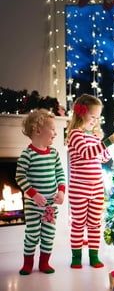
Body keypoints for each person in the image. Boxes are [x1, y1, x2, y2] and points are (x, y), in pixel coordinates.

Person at [66, 94, 114, 269]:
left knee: (95, 224)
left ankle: (94, 256)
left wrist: (104, 143)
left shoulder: (95, 137)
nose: (95, 121)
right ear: (81, 113)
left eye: (98, 117)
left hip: (96, 188)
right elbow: (87, 153)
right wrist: (107, 141)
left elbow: (103, 158)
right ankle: (76, 257)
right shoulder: (75, 134)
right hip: (79, 189)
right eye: (92, 116)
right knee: (78, 224)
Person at [16, 109, 66, 275]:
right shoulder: (27, 154)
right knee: (32, 234)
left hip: (50, 206)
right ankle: (27, 264)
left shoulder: (53, 153)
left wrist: (61, 192)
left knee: (48, 235)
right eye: (52, 129)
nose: (56, 133)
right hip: (33, 206)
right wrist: (34, 194)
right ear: (38, 130)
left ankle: (44, 263)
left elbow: (60, 174)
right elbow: (20, 176)